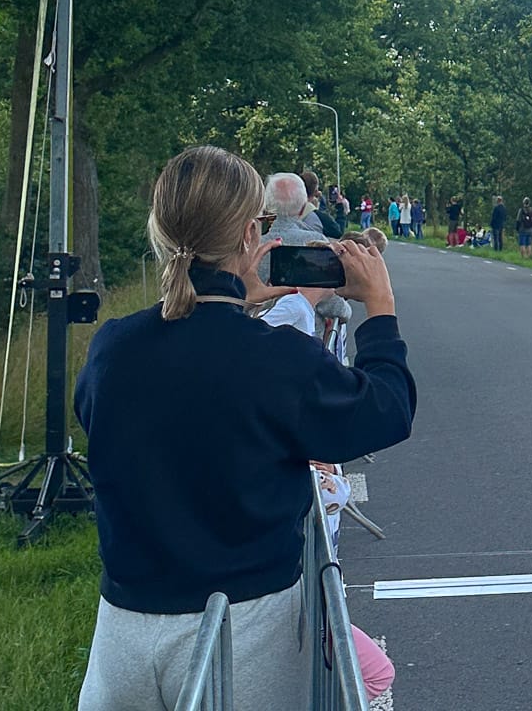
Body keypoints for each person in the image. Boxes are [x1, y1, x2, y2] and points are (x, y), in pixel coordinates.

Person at [75, 145, 415, 711]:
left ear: (161, 230)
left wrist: (230, 305)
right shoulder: (275, 359)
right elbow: (386, 409)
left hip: (124, 635)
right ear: (247, 238)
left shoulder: (112, 347)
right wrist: (379, 309)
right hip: (243, 628)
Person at [266, 173, 352, 335]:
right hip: (306, 343)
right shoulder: (316, 244)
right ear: (302, 206)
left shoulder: (252, 245)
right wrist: (345, 311)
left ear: (266, 205)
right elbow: (330, 303)